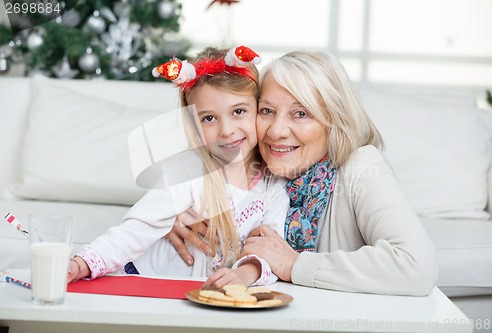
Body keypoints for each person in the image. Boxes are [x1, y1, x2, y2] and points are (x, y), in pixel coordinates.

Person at [166, 50, 439, 296]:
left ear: (334, 121)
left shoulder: (361, 165)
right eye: (267, 111)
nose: (276, 131)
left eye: (300, 114)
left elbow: (416, 266)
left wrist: (292, 264)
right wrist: (170, 213)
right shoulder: (253, 165)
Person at [67, 46, 289, 287]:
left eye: (238, 111)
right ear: (194, 125)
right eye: (209, 118)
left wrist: (243, 275)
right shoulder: (185, 171)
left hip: (203, 293)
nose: (226, 130)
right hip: (147, 281)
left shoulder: (273, 186)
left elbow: (269, 251)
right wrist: (82, 263)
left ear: (259, 110)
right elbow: (137, 229)